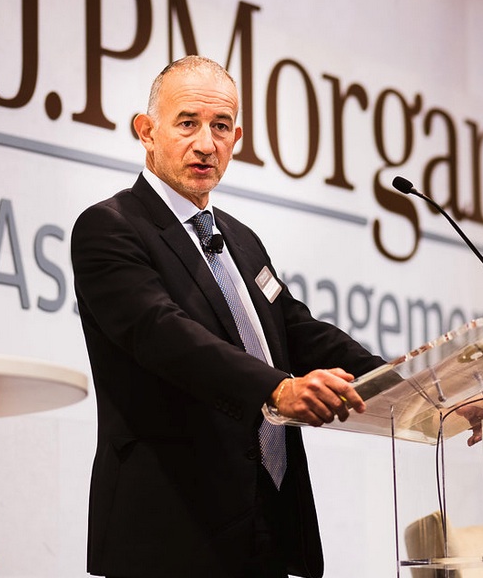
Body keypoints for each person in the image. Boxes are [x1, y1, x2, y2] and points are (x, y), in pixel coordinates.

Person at [71, 55, 388, 578]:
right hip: (170, 528)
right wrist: (276, 389)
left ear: (236, 138)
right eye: (187, 123)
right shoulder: (111, 227)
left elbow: (297, 330)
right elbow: (162, 334)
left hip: (263, 517)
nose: (206, 143)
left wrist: (418, 387)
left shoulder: (240, 238)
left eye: (220, 127)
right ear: (146, 131)